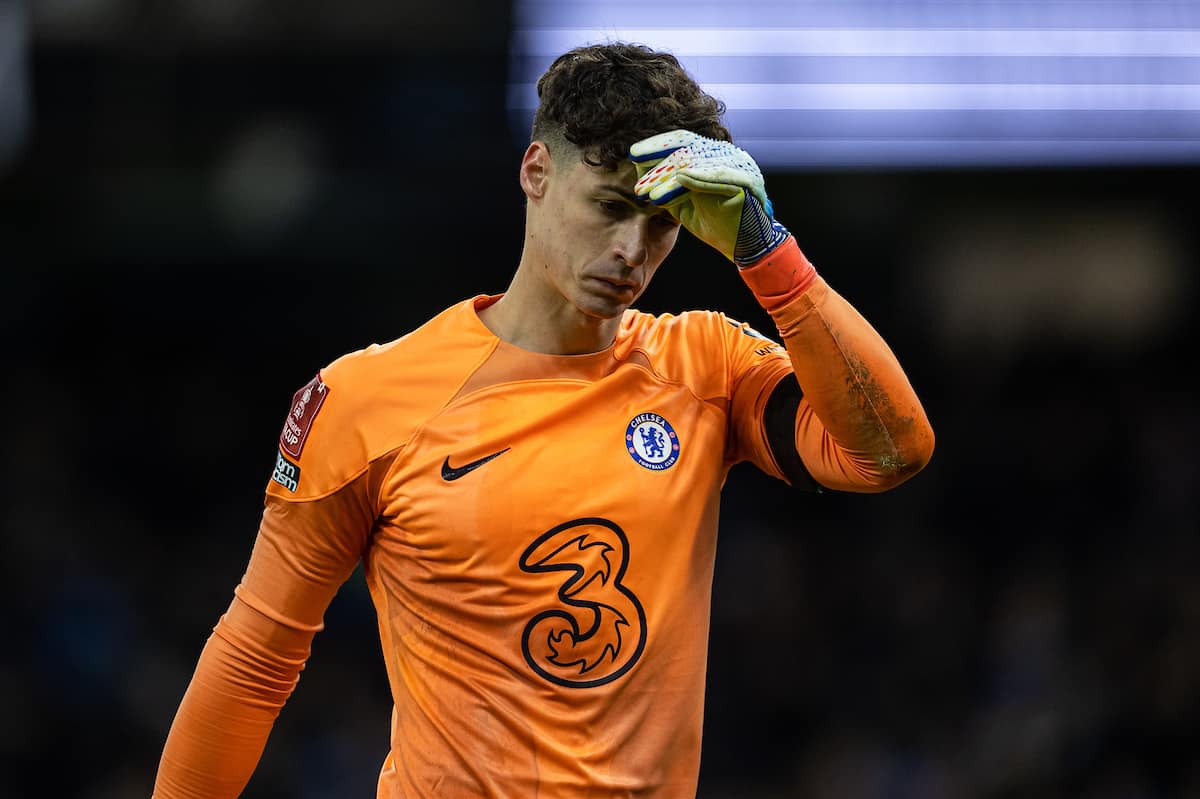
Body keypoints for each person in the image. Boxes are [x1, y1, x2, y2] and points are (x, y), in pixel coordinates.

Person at [152, 41, 935, 798]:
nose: (632, 249)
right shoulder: (366, 400)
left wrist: (769, 253)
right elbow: (255, 658)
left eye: (662, 224)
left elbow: (889, 451)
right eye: (610, 207)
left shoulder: (707, 366)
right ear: (536, 172)